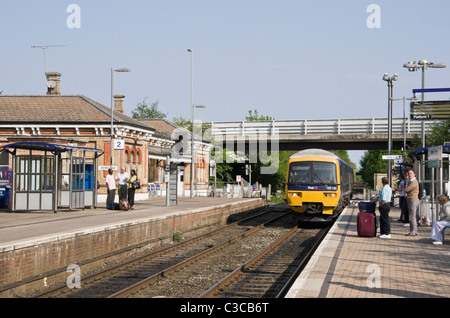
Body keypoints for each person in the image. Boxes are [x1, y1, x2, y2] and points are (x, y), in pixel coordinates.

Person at [404, 169, 420, 236]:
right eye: (409, 174)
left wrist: (406, 188)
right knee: (412, 216)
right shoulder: (411, 181)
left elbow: (407, 189)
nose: (409, 175)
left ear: (414, 174)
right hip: (411, 200)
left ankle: (413, 231)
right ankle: (413, 231)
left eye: (411, 173)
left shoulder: (414, 182)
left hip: (413, 200)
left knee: (412, 217)